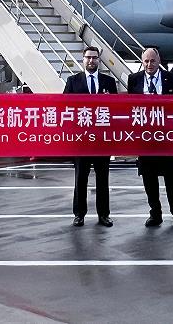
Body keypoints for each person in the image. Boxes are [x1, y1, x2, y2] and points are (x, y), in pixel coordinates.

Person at [127, 47, 173, 228]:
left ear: (159, 61)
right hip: (145, 139)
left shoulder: (172, 78)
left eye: (152, 61)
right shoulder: (134, 79)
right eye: (146, 61)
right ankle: (155, 214)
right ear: (142, 62)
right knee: (149, 179)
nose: (149, 64)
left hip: (168, 138)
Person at [64, 46, 118, 227]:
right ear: (83, 59)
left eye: (94, 58)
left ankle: (104, 215)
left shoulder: (109, 82)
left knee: (103, 179)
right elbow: (65, 108)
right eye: (88, 57)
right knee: (80, 179)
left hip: (102, 140)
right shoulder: (73, 81)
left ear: (99, 60)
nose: (91, 61)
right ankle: (79, 214)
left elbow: (116, 110)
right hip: (81, 141)